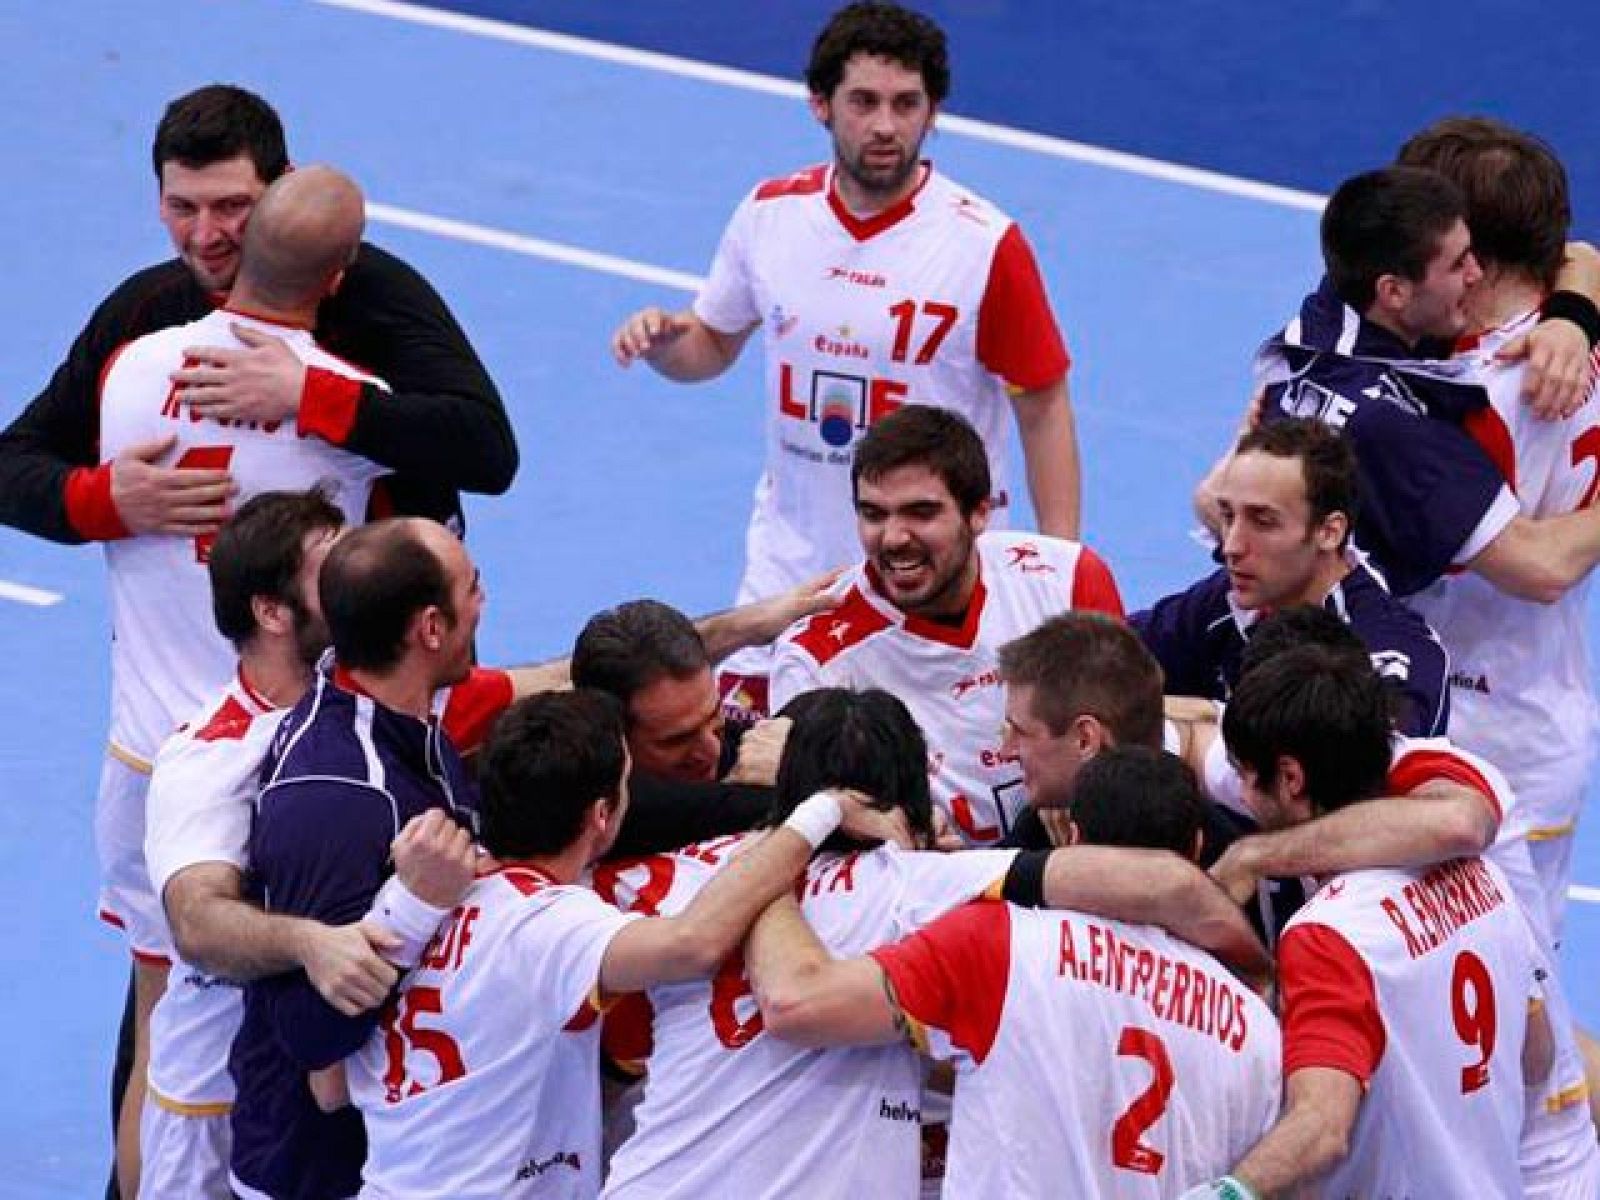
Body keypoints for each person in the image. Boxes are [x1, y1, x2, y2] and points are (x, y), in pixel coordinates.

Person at [600, 690, 1267, 1200]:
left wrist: (773, 836)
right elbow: (1151, 883)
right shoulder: (924, 888)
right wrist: (1255, 968)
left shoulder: (662, 880)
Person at [611, 2, 1077, 715]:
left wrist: (1058, 572)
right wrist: (669, 344)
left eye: (906, 103)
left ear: (934, 113)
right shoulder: (769, 216)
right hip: (789, 578)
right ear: (820, 104)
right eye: (863, 101)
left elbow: (1042, 404)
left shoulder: (984, 245)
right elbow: (711, 345)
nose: (885, 125)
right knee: (758, 773)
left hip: (936, 580)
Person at [97, 163, 394, 1195]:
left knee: (163, 1031)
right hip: (292, 751)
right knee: (303, 1027)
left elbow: (46, 465)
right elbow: (431, 515)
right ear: (343, 272)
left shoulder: (134, 365)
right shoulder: (357, 406)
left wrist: (103, 498)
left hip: (151, 749)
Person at [340, 688, 905, 1199]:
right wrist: (821, 809)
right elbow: (695, 943)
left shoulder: (418, 893)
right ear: (603, 814)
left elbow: (328, 1083)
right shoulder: (553, 922)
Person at [141, 490, 526, 1199]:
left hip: (334, 1102)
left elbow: (530, 685)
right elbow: (197, 926)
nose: (355, 572)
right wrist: (318, 940)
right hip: (229, 1101)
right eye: (334, 569)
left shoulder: (365, 699)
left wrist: (745, 628)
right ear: (273, 612)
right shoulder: (231, 762)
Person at [745, 745, 1281, 1198]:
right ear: (1197, 847)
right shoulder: (1258, 1027)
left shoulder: (1000, 943)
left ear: (1072, 837)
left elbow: (797, 1001)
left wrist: (770, 856)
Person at [0, 83, 515, 547]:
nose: (204, 237)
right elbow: (12, 465)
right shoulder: (143, 310)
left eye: (230, 206)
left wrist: (309, 395)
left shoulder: (370, 292)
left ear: (283, 187)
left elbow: (486, 451)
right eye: (183, 208)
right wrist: (103, 501)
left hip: (387, 639)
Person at [1183, 645, 1552, 1199]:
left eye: (1243, 776)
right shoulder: (1481, 876)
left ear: (1289, 778)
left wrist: (1226, 1194)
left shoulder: (1330, 935)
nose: (1239, 793)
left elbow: (1322, 1129)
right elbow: (1536, 1055)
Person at [230, 517, 492, 1200]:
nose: (484, 602)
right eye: (473, 588)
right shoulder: (338, 797)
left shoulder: (402, 717)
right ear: (430, 628)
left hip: (397, 1145)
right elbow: (312, 1036)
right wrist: (416, 901)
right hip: (320, 1175)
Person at [1398, 117, 1600, 944]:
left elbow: (1533, 565)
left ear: (1464, 254)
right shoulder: (1569, 340)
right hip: (1543, 714)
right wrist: (1576, 311)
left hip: (1467, 744)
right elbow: (1582, 255)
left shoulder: (1458, 396)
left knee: (1491, 1018)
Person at [1228, 165, 1600, 603]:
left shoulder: (1330, 316)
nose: (1475, 274)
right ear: (1395, 292)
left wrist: (1571, 319)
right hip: (1370, 655)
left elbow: (1580, 256)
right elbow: (1542, 568)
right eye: (1459, 263)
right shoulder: (1398, 429)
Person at [770, 405, 1121, 845]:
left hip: (1074, 855)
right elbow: (814, 832)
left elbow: (1129, 742)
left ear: (980, 513)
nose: (894, 538)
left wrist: (1079, 781)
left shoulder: (1067, 578)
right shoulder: (814, 657)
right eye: (874, 514)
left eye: (920, 513)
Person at [1133, 418, 1449, 737]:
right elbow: (1105, 663)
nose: (1231, 546)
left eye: (1263, 522)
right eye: (1228, 516)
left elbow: (1354, 764)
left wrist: (1202, 716)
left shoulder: (1393, 650)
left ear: (1329, 532)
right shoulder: (1224, 602)